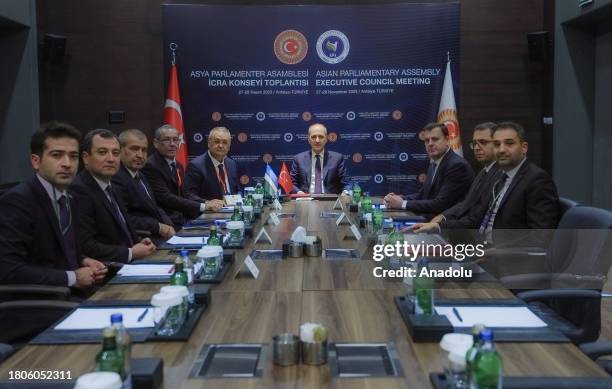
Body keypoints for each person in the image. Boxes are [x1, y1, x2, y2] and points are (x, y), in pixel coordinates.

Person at [0, 121, 107, 287]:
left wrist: (84, 260)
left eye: (73, 156)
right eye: (57, 155)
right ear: (36, 161)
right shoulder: (17, 201)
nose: (67, 163)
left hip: (77, 293)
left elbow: (62, 251)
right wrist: (72, 278)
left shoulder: (71, 197)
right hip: (42, 302)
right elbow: (9, 270)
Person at [412, 121, 560, 238]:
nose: (501, 149)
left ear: (524, 147)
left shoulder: (537, 180)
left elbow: (541, 238)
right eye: (496, 144)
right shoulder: (502, 176)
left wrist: (495, 252)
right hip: (481, 247)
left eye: (509, 143)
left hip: (506, 260)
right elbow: (475, 217)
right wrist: (439, 225)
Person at [70, 129, 156, 263]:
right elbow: (86, 246)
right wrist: (130, 252)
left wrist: (138, 242)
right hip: (107, 271)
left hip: (130, 262)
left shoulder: (112, 186)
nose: (111, 159)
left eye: (115, 153)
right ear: (86, 158)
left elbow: (122, 229)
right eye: (102, 152)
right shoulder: (79, 190)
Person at [384, 123, 474, 218]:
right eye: (427, 140)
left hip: (449, 227)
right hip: (430, 221)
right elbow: (423, 194)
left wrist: (403, 204)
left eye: (435, 139)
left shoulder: (457, 166)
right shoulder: (435, 162)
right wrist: (398, 199)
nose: (430, 144)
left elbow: (440, 204)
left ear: (447, 140)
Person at [112, 129, 175, 245]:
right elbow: (123, 217)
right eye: (134, 149)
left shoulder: (140, 174)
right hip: (141, 240)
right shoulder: (116, 178)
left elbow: (155, 207)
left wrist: (169, 225)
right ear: (119, 150)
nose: (140, 155)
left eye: (144, 150)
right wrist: (158, 226)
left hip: (159, 236)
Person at [430, 122, 501, 223]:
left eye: (483, 142)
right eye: (475, 143)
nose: (476, 147)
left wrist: (439, 226)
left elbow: (477, 216)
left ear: (497, 144)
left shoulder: (501, 174)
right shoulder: (483, 172)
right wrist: (443, 216)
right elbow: (467, 202)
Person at [141, 124, 208, 227]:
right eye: (167, 140)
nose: (172, 144)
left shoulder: (178, 165)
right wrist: (202, 206)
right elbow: (165, 198)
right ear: (156, 143)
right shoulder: (151, 166)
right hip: (167, 222)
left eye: (176, 140)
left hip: (183, 218)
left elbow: (184, 194)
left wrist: (207, 202)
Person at [289, 123, 350, 195]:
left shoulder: (337, 158)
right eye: (313, 137)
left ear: (326, 139)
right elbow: (292, 184)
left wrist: (345, 192)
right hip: (305, 200)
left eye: (321, 136)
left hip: (330, 201)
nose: (317, 140)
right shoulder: (298, 159)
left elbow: (346, 183)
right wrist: (299, 192)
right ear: (308, 139)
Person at [184, 126, 237, 205]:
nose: (221, 146)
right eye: (217, 141)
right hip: (209, 213)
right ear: (209, 143)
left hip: (232, 209)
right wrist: (207, 203)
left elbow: (235, 190)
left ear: (229, 147)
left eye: (225, 142)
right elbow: (189, 196)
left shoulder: (231, 164)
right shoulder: (196, 166)